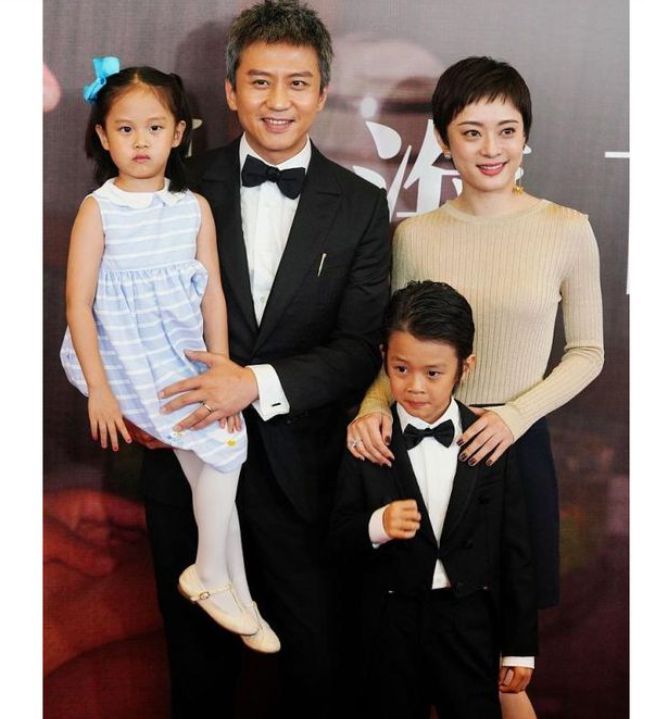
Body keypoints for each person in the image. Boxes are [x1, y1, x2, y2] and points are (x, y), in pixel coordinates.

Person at [132, 2, 391, 717]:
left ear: (322, 92)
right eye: (259, 81)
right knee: (196, 674)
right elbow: (123, 311)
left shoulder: (361, 205)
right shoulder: (175, 188)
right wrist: (141, 407)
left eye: (297, 83)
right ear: (229, 89)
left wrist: (252, 384)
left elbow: (358, 349)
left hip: (302, 477)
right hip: (186, 460)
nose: (278, 101)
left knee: (314, 672)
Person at [346, 56, 604, 719]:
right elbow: (398, 355)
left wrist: (513, 417)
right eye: (471, 131)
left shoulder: (566, 228)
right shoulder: (415, 235)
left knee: (504, 666)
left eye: (506, 130)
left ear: (525, 135)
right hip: (420, 450)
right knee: (416, 651)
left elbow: (587, 352)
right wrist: (371, 409)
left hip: (513, 449)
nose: (491, 149)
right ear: (442, 139)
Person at [60, 58, 279, 654]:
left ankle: (238, 594)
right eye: (125, 129)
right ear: (103, 136)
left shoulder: (192, 208)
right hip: (129, 360)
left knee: (215, 467)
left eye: (154, 128)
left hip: (183, 358)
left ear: (179, 132)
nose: (141, 141)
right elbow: (78, 304)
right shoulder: (98, 209)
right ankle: (208, 574)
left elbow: (212, 295)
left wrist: (223, 370)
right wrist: (101, 392)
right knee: (227, 452)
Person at [331, 280, 537, 718]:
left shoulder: (489, 438)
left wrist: (519, 647)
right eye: (401, 369)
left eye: (433, 373)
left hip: (467, 622)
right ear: (384, 358)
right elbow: (335, 538)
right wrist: (377, 525)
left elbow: (515, 549)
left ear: (466, 367)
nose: (415, 387)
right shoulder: (367, 438)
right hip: (388, 624)